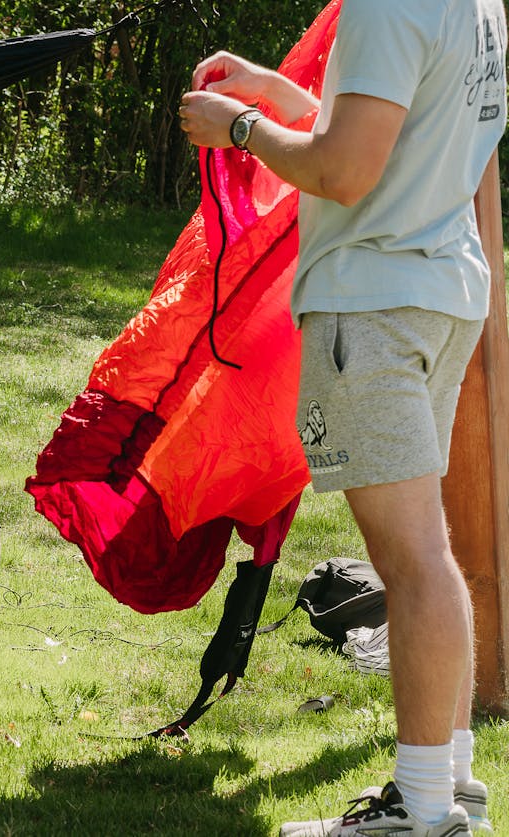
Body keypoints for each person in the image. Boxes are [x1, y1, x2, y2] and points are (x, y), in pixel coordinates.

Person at [180, 0, 505, 834]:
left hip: (376, 303)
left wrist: (241, 125)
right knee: (425, 553)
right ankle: (447, 788)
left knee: (413, 560)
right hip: (437, 293)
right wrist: (279, 93)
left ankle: (424, 813)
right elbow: (388, 136)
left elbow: (347, 172)